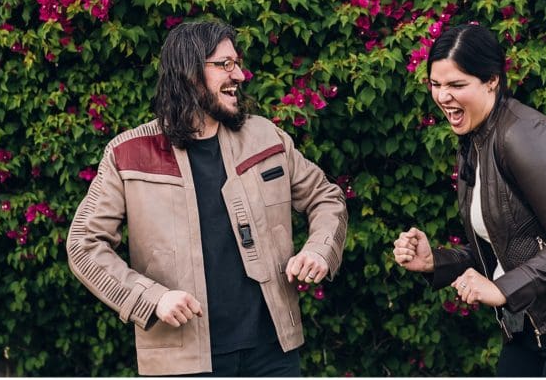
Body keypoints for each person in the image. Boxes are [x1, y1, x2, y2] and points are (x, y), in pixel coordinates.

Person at [67, 20, 348, 376]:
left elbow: (326, 197)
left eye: (238, 63)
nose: (241, 75)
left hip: (273, 352)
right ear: (189, 72)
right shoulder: (127, 153)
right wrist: (152, 299)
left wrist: (318, 249)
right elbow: (83, 245)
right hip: (182, 361)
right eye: (225, 64)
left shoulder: (266, 136)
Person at [392, 23, 546, 376]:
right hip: (535, 326)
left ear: (492, 80)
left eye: (456, 85)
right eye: (436, 84)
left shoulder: (524, 135)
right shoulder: (474, 140)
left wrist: (503, 289)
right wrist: (434, 261)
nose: (443, 96)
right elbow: (506, 244)